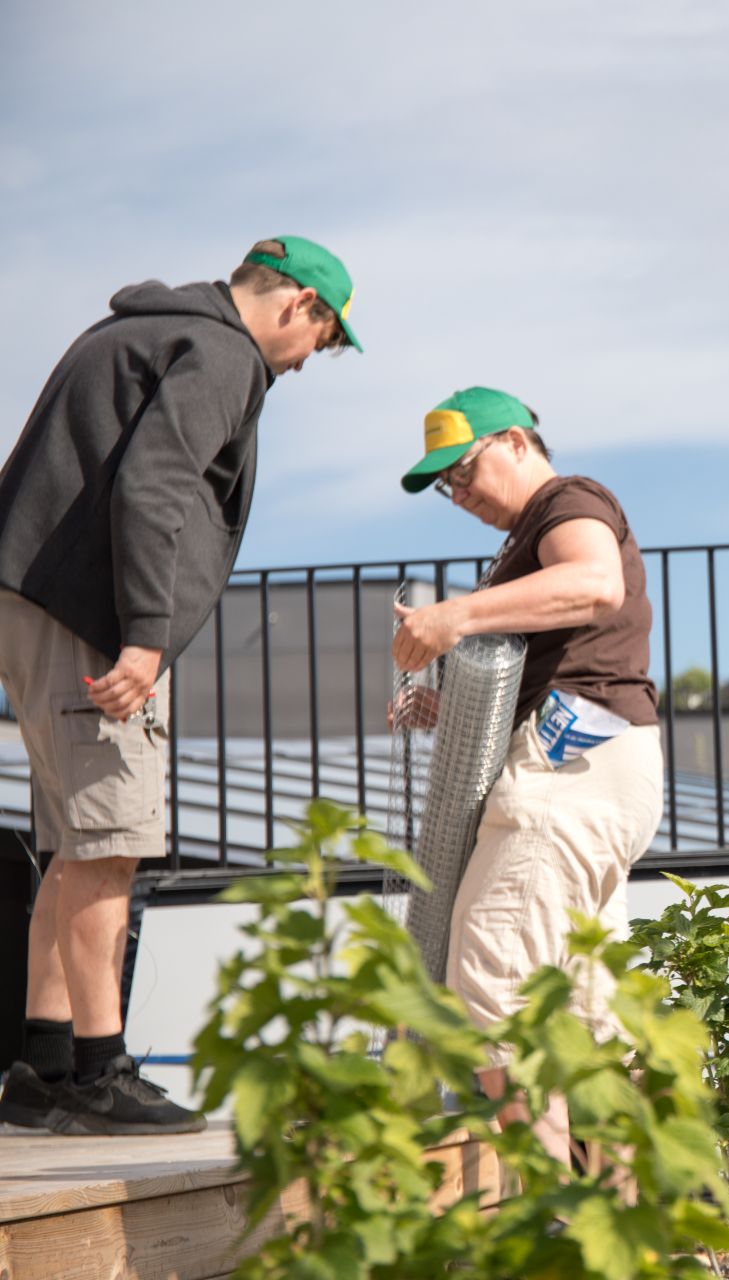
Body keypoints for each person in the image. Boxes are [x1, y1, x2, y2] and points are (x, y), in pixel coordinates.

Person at [0, 237, 362, 1135]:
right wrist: (145, 639)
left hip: (36, 597)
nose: (307, 361)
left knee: (75, 845)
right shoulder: (224, 352)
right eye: (322, 340)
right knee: (111, 844)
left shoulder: (141, 331)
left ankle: (44, 1072)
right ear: (297, 306)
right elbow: (154, 486)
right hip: (87, 615)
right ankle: (99, 1074)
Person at [392, 386, 663, 1163]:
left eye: (464, 469)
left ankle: (553, 1211)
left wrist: (454, 615)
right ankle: (624, 1216)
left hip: (566, 772)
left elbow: (595, 581)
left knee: (493, 977)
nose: (460, 494)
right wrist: (447, 706)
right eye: (445, 486)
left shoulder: (567, 501)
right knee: (586, 1015)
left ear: (515, 441)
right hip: (592, 765)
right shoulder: (527, 536)